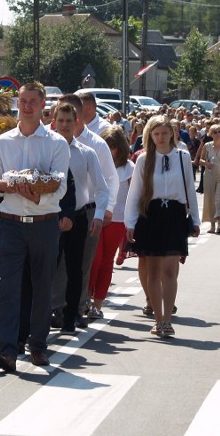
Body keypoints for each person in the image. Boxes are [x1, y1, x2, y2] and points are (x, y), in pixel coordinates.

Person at [0, 81, 69, 372]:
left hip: (44, 224)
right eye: (23, 101)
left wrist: (37, 192)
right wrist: (5, 184)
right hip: (11, 224)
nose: (27, 106)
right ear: (16, 104)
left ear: (43, 104)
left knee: (41, 287)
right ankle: (7, 350)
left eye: (33, 101)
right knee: (7, 288)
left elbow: (60, 186)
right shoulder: (3, 141)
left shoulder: (57, 142)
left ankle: (37, 345)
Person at [124, 115, 200, 337]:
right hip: (151, 215)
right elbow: (135, 192)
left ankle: (168, 318)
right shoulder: (143, 160)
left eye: (165, 133)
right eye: (156, 134)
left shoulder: (183, 157)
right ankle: (159, 320)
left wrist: (194, 219)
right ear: (150, 135)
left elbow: (189, 190)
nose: (161, 137)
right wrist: (130, 223)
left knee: (170, 270)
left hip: (175, 215)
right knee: (154, 271)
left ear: (172, 134)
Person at [50, 102, 107, 333]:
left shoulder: (86, 153)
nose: (64, 126)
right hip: (48, 217)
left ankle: (72, 314)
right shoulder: (47, 150)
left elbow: (102, 188)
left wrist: (99, 215)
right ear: (53, 123)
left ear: (76, 123)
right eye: (60, 121)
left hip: (78, 217)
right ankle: (47, 311)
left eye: (69, 121)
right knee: (48, 268)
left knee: (75, 269)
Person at [88, 126, 133, 318]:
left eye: (112, 146)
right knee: (93, 259)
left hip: (118, 219)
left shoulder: (129, 168)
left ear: (120, 147)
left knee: (106, 261)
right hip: (96, 216)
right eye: (106, 144)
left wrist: (132, 222)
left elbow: (133, 196)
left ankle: (97, 304)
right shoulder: (95, 162)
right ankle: (86, 298)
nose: (109, 149)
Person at [199, 124, 220, 234]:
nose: (218, 134)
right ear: (211, 134)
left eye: (219, 131)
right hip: (209, 174)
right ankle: (212, 225)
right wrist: (206, 163)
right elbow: (200, 160)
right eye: (215, 132)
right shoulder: (207, 146)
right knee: (210, 199)